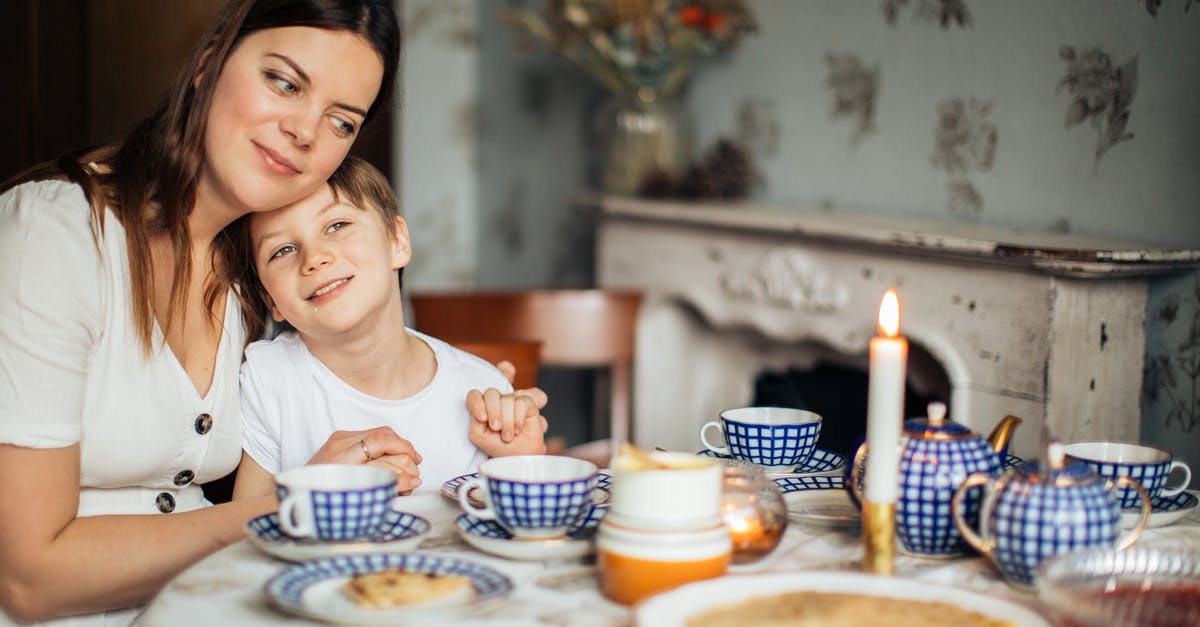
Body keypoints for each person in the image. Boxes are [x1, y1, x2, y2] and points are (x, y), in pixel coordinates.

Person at [0, 1, 539, 624]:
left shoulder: (252, 274)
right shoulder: (54, 234)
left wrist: (477, 397)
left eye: (342, 122)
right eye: (284, 82)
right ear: (208, 63)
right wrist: (294, 506)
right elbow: (28, 580)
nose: (306, 132)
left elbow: (357, 365)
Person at [230, 157, 547, 499]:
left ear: (397, 241)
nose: (314, 258)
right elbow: (239, 536)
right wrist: (313, 488)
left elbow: (520, 536)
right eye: (283, 250)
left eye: (336, 226)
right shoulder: (270, 380)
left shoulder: (484, 393)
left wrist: (523, 465)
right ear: (270, 300)